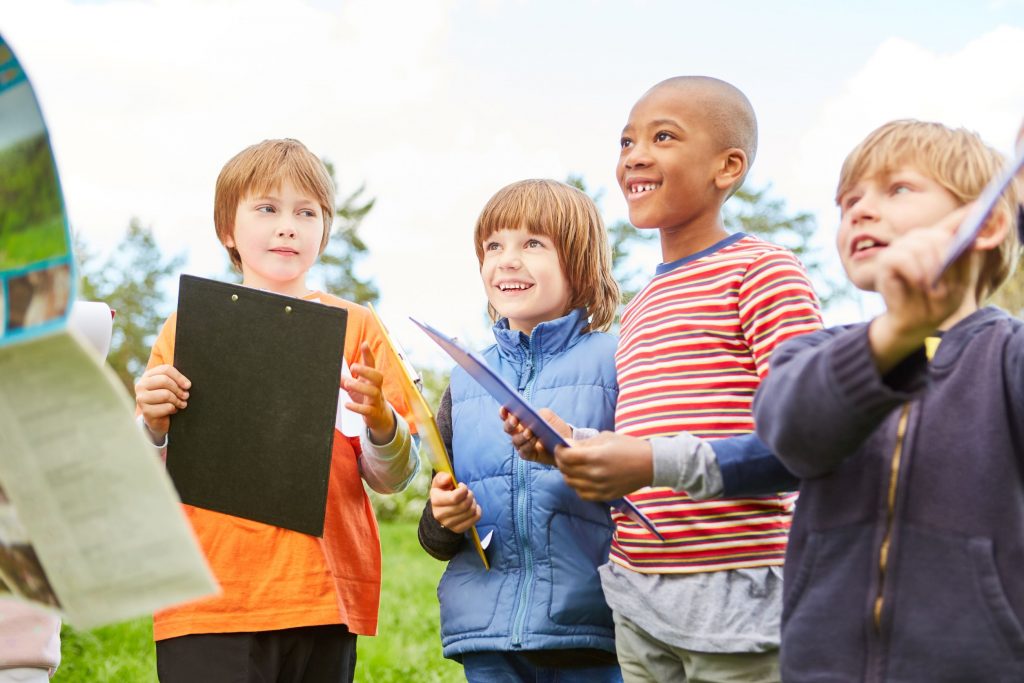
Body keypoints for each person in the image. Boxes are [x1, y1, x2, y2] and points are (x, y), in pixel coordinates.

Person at [510, 77, 821, 682]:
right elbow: (647, 440)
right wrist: (569, 443)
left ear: (726, 167)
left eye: (663, 137)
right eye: (626, 141)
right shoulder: (644, 301)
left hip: (741, 599)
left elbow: (805, 442)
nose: (635, 155)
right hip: (641, 595)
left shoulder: (763, 270)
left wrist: (649, 461)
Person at [134, 138, 419, 683]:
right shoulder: (189, 328)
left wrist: (381, 420)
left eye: (305, 212)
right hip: (206, 598)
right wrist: (152, 424)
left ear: (324, 230)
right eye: (267, 208)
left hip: (322, 596)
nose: (287, 226)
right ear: (228, 230)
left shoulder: (357, 328)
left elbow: (393, 477)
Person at [753, 119, 1024, 680]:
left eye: (897, 188)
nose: (860, 211)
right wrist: (895, 337)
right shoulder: (814, 352)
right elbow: (793, 433)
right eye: (847, 201)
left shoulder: (1010, 356)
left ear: (991, 222)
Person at [417, 179, 624, 682]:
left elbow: (649, 483)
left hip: (592, 636)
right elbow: (435, 532)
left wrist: (572, 448)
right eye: (494, 246)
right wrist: (445, 517)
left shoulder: (619, 361)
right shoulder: (465, 381)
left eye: (533, 243)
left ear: (579, 261)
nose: (507, 260)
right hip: (487, 638)